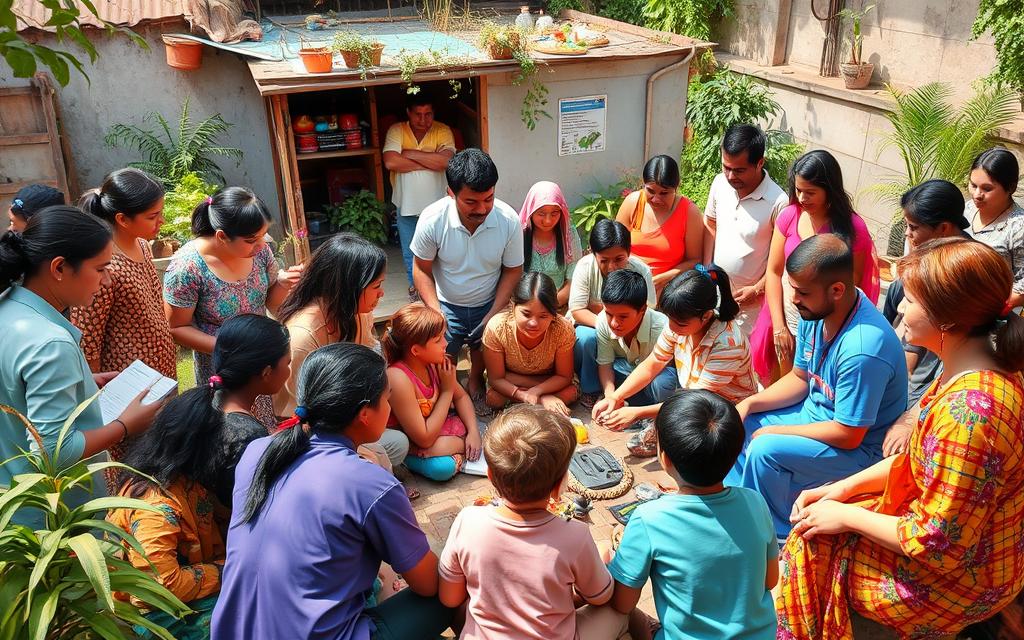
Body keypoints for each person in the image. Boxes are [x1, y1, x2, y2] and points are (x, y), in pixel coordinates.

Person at [776, 237, 1024, 639]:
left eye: (910, 300)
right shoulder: (965, 367)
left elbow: (937, 545)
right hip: (952, 539)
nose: (901, 309)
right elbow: (916, 460)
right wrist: (840, 490)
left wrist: (845, 515)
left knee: (812, 548)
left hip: (966, 578)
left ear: (947, 319)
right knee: (818, 527)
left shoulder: (973, 414)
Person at [212, 343, 454, 640]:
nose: (389, 407)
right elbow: (428, 584)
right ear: (365, 414)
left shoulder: (258, 452)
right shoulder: (371, 484)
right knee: (452, 589)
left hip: (234, 632)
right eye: (387, 398)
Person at [727, 234, 907, 543]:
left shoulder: (863, 348)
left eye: (801, 292)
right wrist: (749, 404)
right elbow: (800, 379)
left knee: (764, 450)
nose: (794, 299)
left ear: (837, 290)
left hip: (860, 449)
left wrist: (775, 433)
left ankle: (780, 535)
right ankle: (745, 507)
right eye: (793, 289)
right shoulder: (818, 309)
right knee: (735, 426)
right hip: (815, 416)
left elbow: (849, 435)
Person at [0, 206, 161, 526]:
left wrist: (82, 380)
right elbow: (53, 453)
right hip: (53, 522)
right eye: (100, 268)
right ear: (59, 268)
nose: (107, 279)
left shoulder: (9, 308)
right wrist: (125, 425)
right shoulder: (50, 343)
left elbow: (16, 392)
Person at [438, 404, 627, 640]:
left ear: (491, 477)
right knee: (621, 611)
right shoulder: (575, 536)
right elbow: (600, 597)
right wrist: (603, 556)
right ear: (560, 487)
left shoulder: (468, 520)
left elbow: (450, 598)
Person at [607, 390, 778, 640]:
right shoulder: (755, 502)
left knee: (628, 618)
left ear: (664, 458)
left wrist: (615, 558)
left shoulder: (649, 519)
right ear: (732, 458)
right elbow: (770, 580)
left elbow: (622, 603)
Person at [163, 187, 302, 427]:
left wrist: (281, 283)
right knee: (229, 431)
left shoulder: (260, 253)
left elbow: (270, 301)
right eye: (251, 240)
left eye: (263, 236)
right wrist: (231, 349)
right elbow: (177, 328)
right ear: (221, 237)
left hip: (259, 363)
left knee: (261, 429)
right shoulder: (186, 268)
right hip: (221, 367)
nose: (261, 245)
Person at [593, 265, 756, 457]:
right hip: (697, 401)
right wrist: (615, 397)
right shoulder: (678, 324)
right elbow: (653, 363)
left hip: (727, 412)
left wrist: (637, 413)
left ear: (706, 316)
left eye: (680, 323)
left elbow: (695, 401)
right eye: (670, 319)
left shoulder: (727, 344)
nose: (671, 327)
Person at [750, 149, 880, 382]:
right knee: (781, 384)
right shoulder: (789, 216)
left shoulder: (854, 228)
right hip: (785, 317)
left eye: (810, 192)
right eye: (798, 190)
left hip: (826, 327)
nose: (801, 198)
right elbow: (774, 271)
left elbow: (853, 285)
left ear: (830, 190)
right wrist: (779, 327)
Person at [411, 148, 524, 401]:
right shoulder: (432, 219)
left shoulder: (508, 220)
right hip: (446, 302)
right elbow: (421, 269)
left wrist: (493, 312)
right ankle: (448, 390)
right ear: (451, 193)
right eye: (471, 202)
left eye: (489, 199)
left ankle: (475, 379)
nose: (482, 209)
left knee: (487, 342)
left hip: (490, 300)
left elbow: (513, 270)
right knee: (442, 352)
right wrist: (437, 313)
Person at [880, 179, 970, 458]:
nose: (907, 235)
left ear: (943, 228)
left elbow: (917, 350)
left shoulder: (963, 274)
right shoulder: (923, 263)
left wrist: (910, 415)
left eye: (914, 227)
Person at [73, 168, 176, 382]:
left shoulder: (142, 245)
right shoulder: (103, 267)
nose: (162, 221)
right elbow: (88, 339)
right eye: (153, 216)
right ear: (123, 219)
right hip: (126, 381)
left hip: (161, 371)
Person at [702, 124, 789, 338]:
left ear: (760, 162)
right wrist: (706, 269)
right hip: (713, 294)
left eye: (739, 170)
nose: (731, 176)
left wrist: (757, 290)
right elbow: (710, 224)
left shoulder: (779, 202)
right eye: (726, 167)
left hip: (751, 307)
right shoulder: (719, 184)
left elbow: (782, 260)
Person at [383, 303, 481, 481]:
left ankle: (457, 449)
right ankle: (404, 461)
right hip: (412, 441)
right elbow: (425, 439)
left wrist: (473, 431)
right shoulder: (398, 377)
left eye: (443, 336)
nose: (446, 343)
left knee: (471, 436)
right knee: (442, 468)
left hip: (434, 431)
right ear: (415, 350)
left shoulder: (435, 363)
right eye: (438, 340)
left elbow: (462, 397)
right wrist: (446, 391)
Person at [570, 219, 657, 403]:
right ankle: (591, 390)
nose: (612, 267)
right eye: (604, 260)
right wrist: (608, 325)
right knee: (587, 339)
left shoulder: (641, 270)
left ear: (629, 252)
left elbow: (647, 309)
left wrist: (613, 321)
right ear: (593, 254)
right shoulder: (585, 268)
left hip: (626, 332)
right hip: (594, 329)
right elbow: (578, 310)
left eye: (619, 259)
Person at [382, 95, 456, 295]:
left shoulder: (442, 130)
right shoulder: (397, 130)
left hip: (439, 207)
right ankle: (416, 289)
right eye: (418, 115)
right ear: (408, 112)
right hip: (406, 205)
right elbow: (391, 162)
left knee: (440, 250)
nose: (423, 120)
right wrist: (431, 161)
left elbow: (447, 163)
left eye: (428, 114)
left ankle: (439, 289)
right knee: (411, 251)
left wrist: (409, 154)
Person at [482, 272, 577, 416]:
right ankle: (542, 405)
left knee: (570, 392)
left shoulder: (562, 329)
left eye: (543, 316)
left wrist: (538, 391)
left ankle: (527, 406)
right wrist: (525, 395)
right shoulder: (497, 328)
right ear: (512, 306)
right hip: (511, 385)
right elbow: (496, 378)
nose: (533, 323)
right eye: (526, 314)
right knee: (494, 398)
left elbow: (564, 376)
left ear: (553, 314)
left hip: (548, 381)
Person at [591, 270, 675, 410]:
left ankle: (658, 414)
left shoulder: (662, 327)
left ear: (642, 310)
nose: (614, 323)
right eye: (609, 314)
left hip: (654, 377)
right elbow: (605, 364)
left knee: (665, 380)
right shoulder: (602, 321)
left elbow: (655, 368)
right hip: (624, 370)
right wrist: (610, 397)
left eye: (623, 317)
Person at [617, 155, 703, 291]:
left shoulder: (689, 212)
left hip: (669, 288)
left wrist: (664, 278)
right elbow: (615, 247)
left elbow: (695, 260)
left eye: (664, 193)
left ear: (677, 186)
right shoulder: (633, 203)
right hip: (628, 285)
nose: (656, 199)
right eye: (650, 191)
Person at [965, 147, 1024, 308]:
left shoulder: (1018, 227)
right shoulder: (966, 210)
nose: (977, 194)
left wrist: (997, 309)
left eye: (987, 188)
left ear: (1010, 188)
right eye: (973, 185)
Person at [519, 181, 583, 308]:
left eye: (554, 213)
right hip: (524, 306)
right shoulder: (519, 234)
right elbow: (512, 275)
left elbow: (574, 277)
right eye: (541, 214)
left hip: (558, 305)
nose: (548, 220)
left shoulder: (568, 234)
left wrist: (550, 306)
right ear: (531, 211)